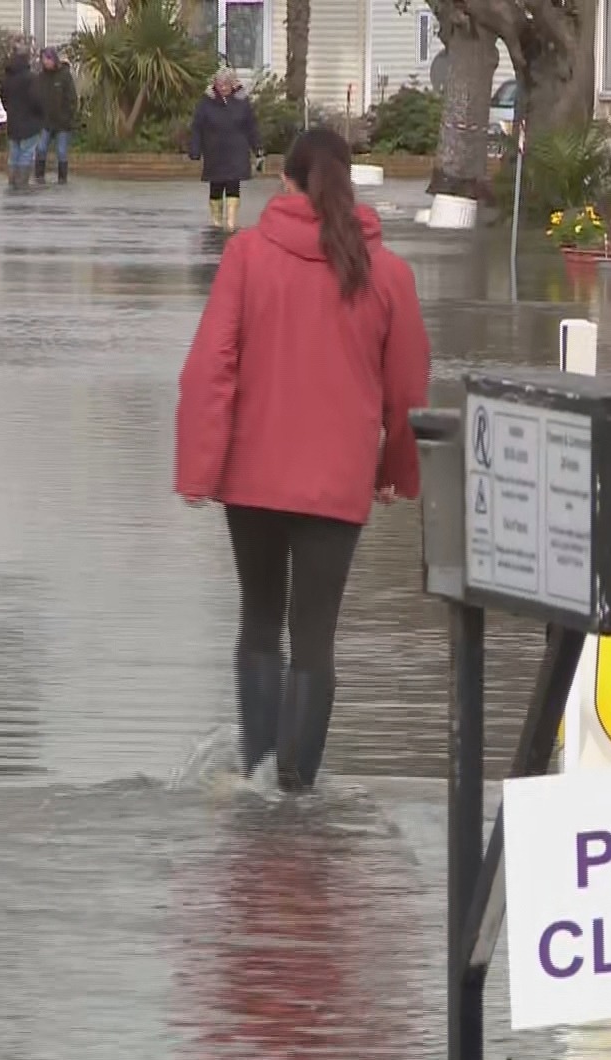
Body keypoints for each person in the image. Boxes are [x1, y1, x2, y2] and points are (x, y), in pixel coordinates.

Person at [173, 127, 431, 793]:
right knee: (315, 638)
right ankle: (295, 788)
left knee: (260, 623)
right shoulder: (390, 275)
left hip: (251, 477)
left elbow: (210, 369)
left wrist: (200, 470)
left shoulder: (246, 257)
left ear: (284, 182)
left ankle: (258, 776)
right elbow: (406, 391)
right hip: (336, 484)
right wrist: (397, 472)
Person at [188, 69, 261, 230]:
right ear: (215, 84)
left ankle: (231, 222)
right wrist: (195, 148)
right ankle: (216, 220)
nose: (223, 87)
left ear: (232, 84)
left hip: (237, 150)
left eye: (226, 84)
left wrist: (258, 149)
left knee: (233, 185)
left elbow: (251, 127)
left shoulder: (242, 102)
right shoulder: (206, 102)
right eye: (219, 84)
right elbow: (197, 127)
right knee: (216, 186)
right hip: (214, 151)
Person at [0, 47, 46, 192]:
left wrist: (10, 110)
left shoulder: (7, 79)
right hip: (30, 123)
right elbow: (37, 100)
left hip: (13, 123)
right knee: (26, 153)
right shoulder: (31, 78)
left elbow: (3, 99)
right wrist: (41, 115)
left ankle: (12, 180)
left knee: (14, 154)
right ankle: (22, 182)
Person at [34, 47, 77, 185]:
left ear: (54, 59)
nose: (46, 62)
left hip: (62, 123)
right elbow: (37, 97)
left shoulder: (64, 76)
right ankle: (39, 176)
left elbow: (72, 99)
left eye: (48, 59)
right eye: (43, 59)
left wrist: (67, 116)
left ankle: (62, 179)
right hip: (45, 122)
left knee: (61, 152)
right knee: (41, 148)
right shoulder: (41, 77)